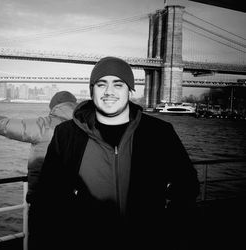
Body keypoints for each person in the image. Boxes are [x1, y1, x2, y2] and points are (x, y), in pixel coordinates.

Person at [32, 57, 200, 250]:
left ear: (129, 90)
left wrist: (165, 233)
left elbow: (187, 187)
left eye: (118, 84)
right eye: (101, 84)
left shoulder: (159, 133)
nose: (109, 91)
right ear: (91, 90)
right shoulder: (66, 135)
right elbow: (46, 201)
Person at [0, 91, 77, 247]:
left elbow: (5, 125)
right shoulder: (86, 125)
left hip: (43, 201)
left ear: (54, 107)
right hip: (74, 204)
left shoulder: (44, 125)